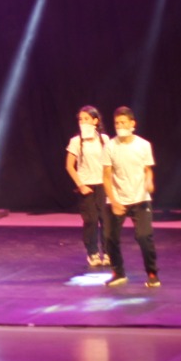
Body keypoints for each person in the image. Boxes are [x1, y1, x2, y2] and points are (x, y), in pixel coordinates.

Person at [102, 106, 159, 287]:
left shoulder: (143, 145)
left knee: (144, 236)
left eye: (123, 122)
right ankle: (118, 273)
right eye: (117, 123)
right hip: (117, 198)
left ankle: (152, 273)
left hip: (140, 198)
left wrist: (149, 181)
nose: (120, 126)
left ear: (132, 124)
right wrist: (114, 201)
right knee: (109, 237)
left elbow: (147, 169)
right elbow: (106, 176)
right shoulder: (110, 146)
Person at [65, 105, 111, 269]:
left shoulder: (104, 139)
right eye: (80, 119)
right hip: (86, 185)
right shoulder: (76, 141)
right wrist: (81, 185)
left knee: (106, 220)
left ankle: (108, 252)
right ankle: (92, 253)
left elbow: (110, 163)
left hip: (104, 184)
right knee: (91, 220)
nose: (83, 122)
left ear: (95, 121)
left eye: (86, 119)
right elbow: (69, 166)